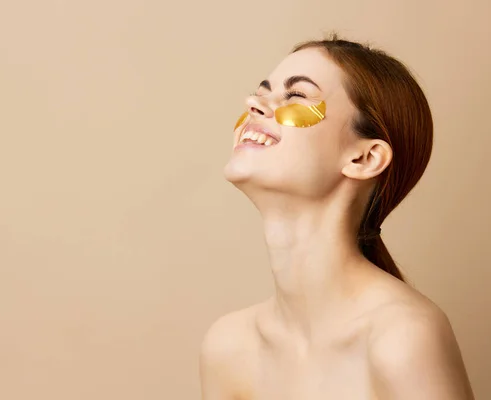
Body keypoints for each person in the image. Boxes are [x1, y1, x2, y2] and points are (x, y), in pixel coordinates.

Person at [199, 34, 475, 400]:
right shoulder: (228, 346)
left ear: (365, 158)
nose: (254, 104)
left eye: (296, 96)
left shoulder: (404, 336)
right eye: (261, 93)